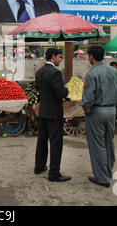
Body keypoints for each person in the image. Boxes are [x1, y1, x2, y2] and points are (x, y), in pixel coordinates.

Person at [82, 46, 117, 188]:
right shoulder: (115, 72)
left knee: (97, 144)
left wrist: (87, 111)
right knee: (109, 142)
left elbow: (88, 98)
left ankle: (101, 177)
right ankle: (108, 171)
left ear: (91, 56)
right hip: (111, 110)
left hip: (96, 111)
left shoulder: (91, 74)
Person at [34, 48, 71, 182]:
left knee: (42, 140)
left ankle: (39, 166)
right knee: (56, 142)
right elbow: (60, 93)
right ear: (53, 56)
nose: (61, 60)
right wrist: (67, 89)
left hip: (43, 110)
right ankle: (54, 172)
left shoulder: (39, 72)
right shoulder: (55, 72)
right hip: (54, 112)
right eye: (60, 57)